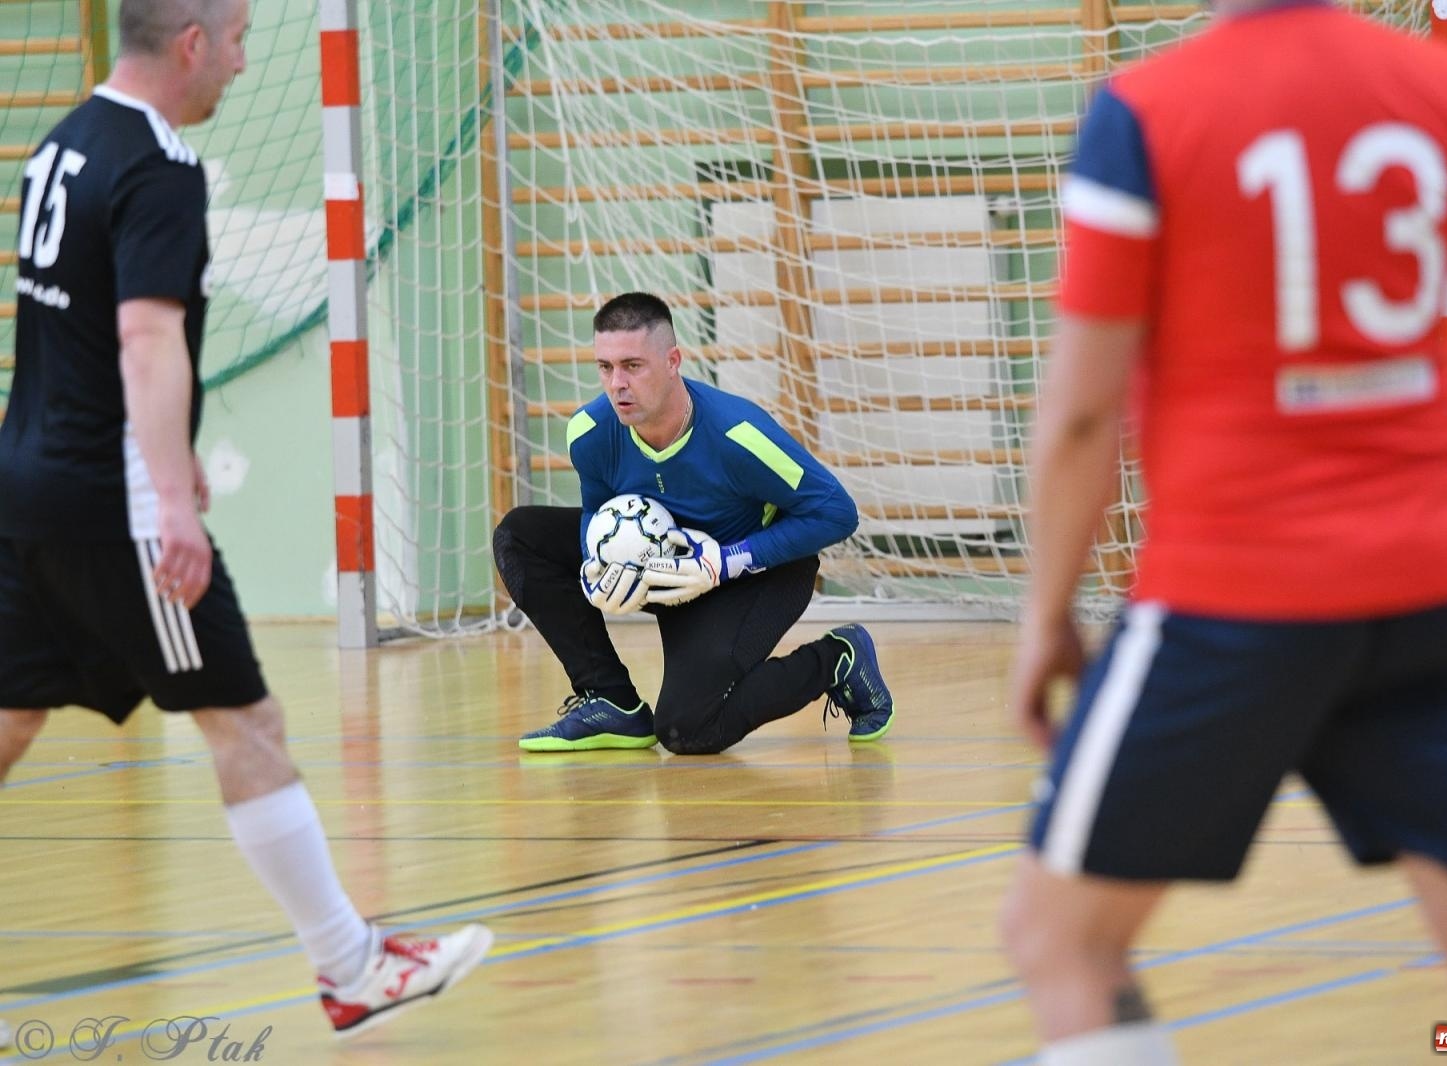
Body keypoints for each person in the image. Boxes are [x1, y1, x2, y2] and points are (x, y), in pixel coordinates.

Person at [1001, 2, 1447, 1063]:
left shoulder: (1144, 110)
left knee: (1060, 941)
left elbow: (1083, 413)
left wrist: (1044, 614)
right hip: (1423, 600)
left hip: (1228, 604)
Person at [0, 0, 490, 1037]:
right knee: (246, 720)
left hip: (28, 487)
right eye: (238, 42)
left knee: (8, 721)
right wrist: (169, 493)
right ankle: (351, 965)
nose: (239, 62)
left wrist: (169, 453)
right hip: (114, 507)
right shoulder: (158, 166)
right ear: (190, 44)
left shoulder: (62, 144)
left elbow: (73, 334)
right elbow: (141, 338)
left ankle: (353, 959)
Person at [494, 292, 894, 754]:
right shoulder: (589, 432)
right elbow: (596, 511)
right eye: (605, 367)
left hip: (752, 576)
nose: (617, 384)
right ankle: (610, 700)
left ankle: (837, 661)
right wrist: (593, 559)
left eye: (632, 366)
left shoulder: (738, 434)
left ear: (673, 361)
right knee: (520, 535)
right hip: (663, 571)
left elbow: (836, 512)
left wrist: (728, 561)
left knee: (689, 730)